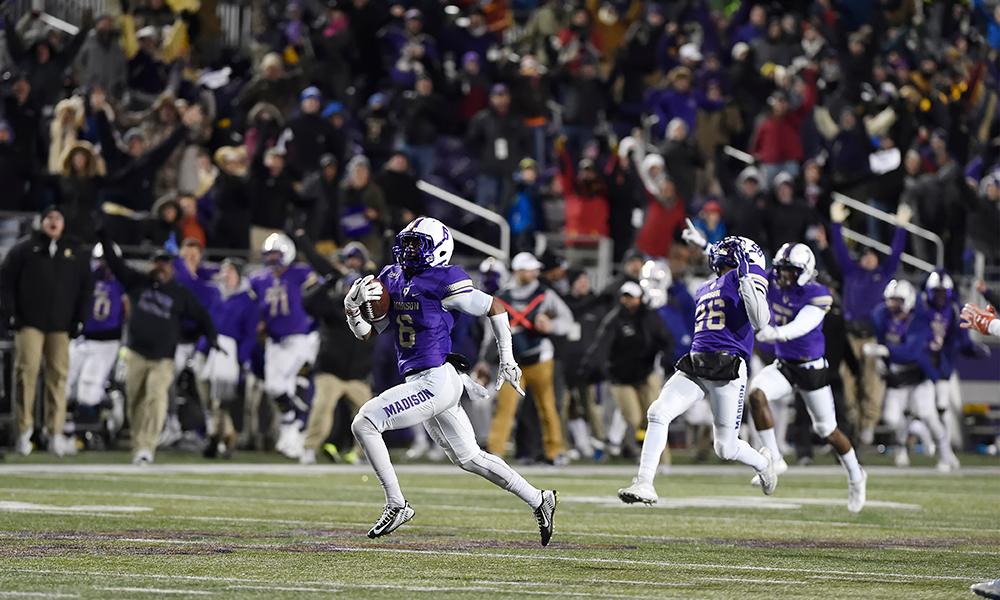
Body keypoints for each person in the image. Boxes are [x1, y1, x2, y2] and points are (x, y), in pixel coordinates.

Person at [345, 217, 557, 544]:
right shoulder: (393, 275)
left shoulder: (443, 280)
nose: (409, 250)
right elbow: (373, 332)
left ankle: (396, 503)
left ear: (439, 248)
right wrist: (353, 311)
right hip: (426, 379)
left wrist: (508, 358)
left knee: (365, 422)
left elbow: (495, 307)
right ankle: (539, 498)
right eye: (408, 242)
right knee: (470, 458)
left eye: (418, 244)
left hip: (434, 381)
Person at [618, 227, 777, 505]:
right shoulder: (706, 285)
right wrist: (704, 244)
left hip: (727, 366)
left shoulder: (748, 279)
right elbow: (717, 252)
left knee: (725, 447)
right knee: (658, 412)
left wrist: (744, 277)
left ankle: (764, 463)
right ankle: (644, 482)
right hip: (697, 361)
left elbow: (761, 321)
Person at [747, 243, 867, 513]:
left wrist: (775, 333)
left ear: (804, 271)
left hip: (811, 368)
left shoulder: (817, 294)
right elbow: (744, 272)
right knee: (756, 394)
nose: (783, 276)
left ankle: (856, 476)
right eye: (781, 270)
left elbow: (802, 326)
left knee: (828, 431)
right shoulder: (773, 282)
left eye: (790, 271)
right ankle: (774, 459)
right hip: (785, 366)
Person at [96, 228, 218, 465]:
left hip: (163, 357)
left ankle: (146, 447)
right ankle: (138, 442)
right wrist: (105, 238)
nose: (162, 267)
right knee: (135, 401)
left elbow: (202, 316)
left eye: (166, 263)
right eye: (158, 263)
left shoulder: (179, 293)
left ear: (172, 267)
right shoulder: (137, 282)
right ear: (152, 264)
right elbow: (116, 263)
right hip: (135, 353)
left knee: (156, 396)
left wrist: (210, 337)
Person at [0, 207, 91, 457]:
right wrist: (11, 314)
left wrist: (79, 319)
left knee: (58, 378)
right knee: (25, 374)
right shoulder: (24, 249)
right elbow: (5, 282)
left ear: (63, 224)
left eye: (58, 218)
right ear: (41, 222)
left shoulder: (74, 252)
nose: (53, 222)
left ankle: (55, 432)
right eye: (49, 218)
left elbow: (86, 288)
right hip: (29, 322)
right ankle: (24, 431)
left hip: (60, 325)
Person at [829, 201, 910, 445]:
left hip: (872, 337)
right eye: (865, 256)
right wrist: (835, 224)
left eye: (872, 256)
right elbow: (840, 250)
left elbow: (896, 253)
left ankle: (868, 426)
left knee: (872, 383)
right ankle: (852, 423)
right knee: (848, 382)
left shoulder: (884, 275)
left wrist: (901, 228)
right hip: (851, 337)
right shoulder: (851, 272)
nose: (868, 259)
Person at [487, 252, 574, 465]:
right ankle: (495, 452)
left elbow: (568, 320)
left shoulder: (545, 293)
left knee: (547, 407)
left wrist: (551, 325)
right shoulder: (501, 296)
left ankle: (555, 451)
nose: (535, 273)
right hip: (512, 360)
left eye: (536, 269)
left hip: (540, 357)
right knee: (505, 407)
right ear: (518, 271)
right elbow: (490, 332)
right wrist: (484, 358)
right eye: (530, 269)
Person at [865, 280, 960, 472]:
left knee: (928, 415)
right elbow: (880, 339)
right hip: (897, 376)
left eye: (898, 300)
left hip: (918, 375)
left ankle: (945, 453)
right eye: (891, 300)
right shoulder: (882, 315)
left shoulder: (920, 320)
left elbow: (912, 352)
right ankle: (901, 445)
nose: (893, 305)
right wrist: (881, 363)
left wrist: (885, 351)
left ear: (908, 300)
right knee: (891, 419)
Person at [583, 281, 673, 462]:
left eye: (632, 297)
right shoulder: (614, 320)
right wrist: (591, 365)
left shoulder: (649, 317)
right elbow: (601, 345)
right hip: (621, 377)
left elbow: (666, 340)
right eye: (625, 297)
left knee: (656, 417)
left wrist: (666, 359)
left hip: (647, 373)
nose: (628, 301)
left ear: (640, 298)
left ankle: (664, 460)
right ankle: (643, 451)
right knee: (633, 418)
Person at [249, 233, 318, 459]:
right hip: (273, 341)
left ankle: (294, 428)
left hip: (298, 338)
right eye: (268, 255)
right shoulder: (259, 280)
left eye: (276, 254)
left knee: (287, 386)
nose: (271, 259)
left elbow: (319, 295)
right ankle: (292, 423)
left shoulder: (300, 273)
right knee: (274, 388)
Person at [64, 242, 128, 449]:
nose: (104, 265)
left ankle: (90, 430)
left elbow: (128, 312)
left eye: (107, 260)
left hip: (107, 341)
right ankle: (62, 430)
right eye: (101, 260)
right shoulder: (86, 277)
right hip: (81, 338)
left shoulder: (122, 281)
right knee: (64, 386)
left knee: (89, 389)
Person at [195, 258, 258, 459]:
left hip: (228, 350)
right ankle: (225, 434)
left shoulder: (247, 300)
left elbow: (249, 334)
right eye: (224, 270)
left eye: (230, 271)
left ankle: (219, 435)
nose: (226, 274)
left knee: (220, 399)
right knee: (206, 393)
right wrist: (203, 345)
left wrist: (241, 359)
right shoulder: (215, 292)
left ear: (239, 274)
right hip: (208, 347)